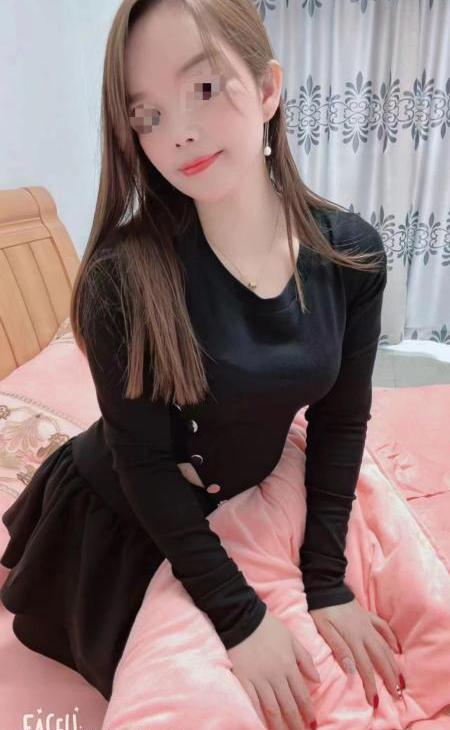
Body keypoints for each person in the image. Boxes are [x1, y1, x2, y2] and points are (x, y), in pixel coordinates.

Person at [0, 1, 398, 728]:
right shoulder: (123, 279)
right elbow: (144, 464)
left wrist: (327, 581)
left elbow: (341, 420)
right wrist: (241, 619)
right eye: (146, 115)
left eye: (205, 87)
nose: (177, 132)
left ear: (269, 89)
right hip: (126, 513)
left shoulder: (351, 255)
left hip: (240, 495)